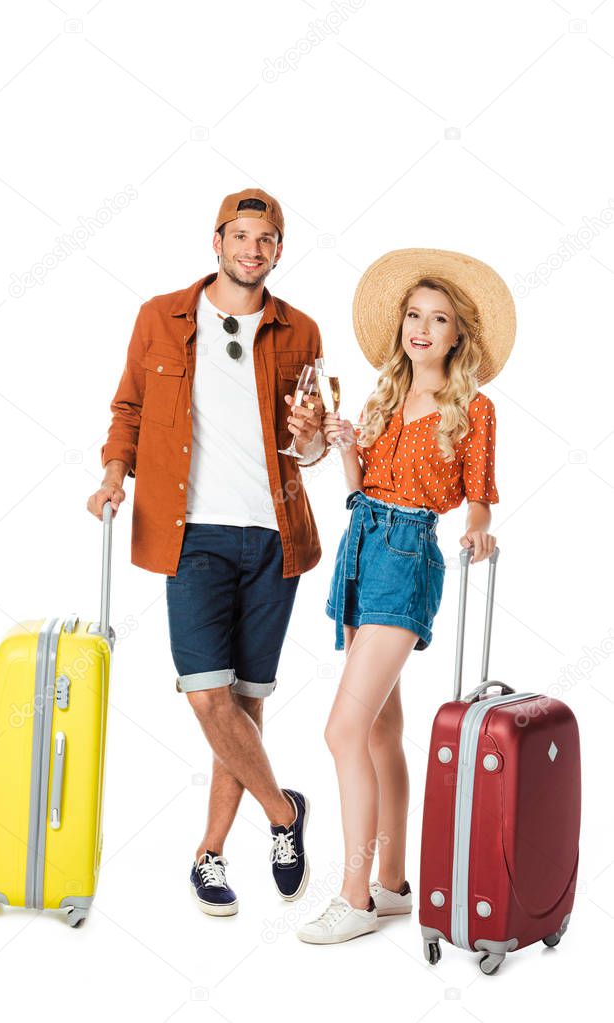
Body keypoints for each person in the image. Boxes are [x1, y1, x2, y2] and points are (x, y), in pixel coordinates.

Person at [87, 188, 330, 916]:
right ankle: (284, 815)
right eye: (240, 236)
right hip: (188, 531)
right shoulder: (160, 316)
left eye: (266, 240)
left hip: (272, 534)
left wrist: (314, 434)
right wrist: (110, 475)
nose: (251, 250)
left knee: (245, 701)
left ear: (278, 251)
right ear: (216, 242)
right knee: (204, 692)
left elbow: (310, 446)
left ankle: (209, 855)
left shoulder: (302, 331)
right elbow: (128, 407)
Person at [296, 247, 516, 944]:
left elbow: (477, 497)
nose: (422, 328)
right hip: (361, 547)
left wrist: (478, 533)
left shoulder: (472, 408)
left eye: (438, 318)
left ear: (458, 335)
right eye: (413, 315)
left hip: (406, 557)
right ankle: (391, 883)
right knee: (381, 729)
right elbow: (361, 492)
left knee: (341, 730)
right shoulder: (383, 396)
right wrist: (346, 448)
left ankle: (353, 894)